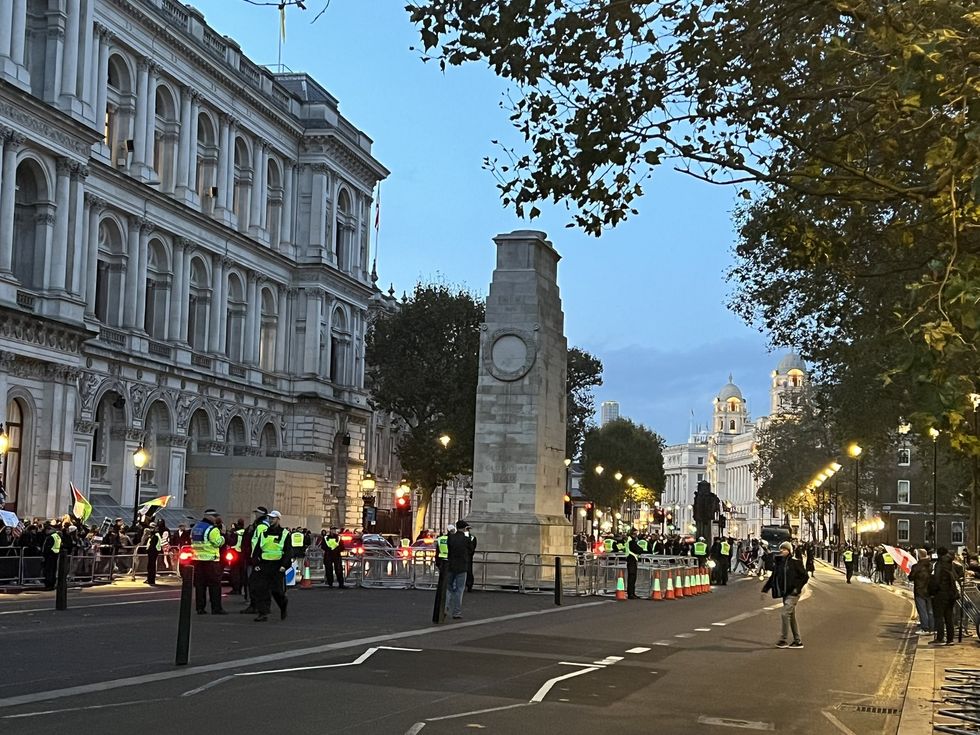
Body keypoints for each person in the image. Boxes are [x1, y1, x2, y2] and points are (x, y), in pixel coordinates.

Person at [761, 541, 809, 649]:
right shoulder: (779, 563)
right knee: (791, 617)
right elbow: (773, 577)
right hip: (785, 593)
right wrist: (765, 590)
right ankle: (798, 641)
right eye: (781, 549)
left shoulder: (795, 562)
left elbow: (805, 576)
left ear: (789, 551)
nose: (781, 550)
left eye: (784, 549)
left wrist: (797, 588)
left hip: (793, 593)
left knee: (784, 614)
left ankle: (783, 639)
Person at [251, 510, 291, 622]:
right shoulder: (263, 533)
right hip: (264, 565)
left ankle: (283, 604)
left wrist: (284, 566)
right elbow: (257, 550)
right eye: (269, 518)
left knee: (277, 591)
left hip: (277, 566)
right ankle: (262, 613)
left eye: (273, 518)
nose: (271, 520)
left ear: (278, 519)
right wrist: (256, 563)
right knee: (261, 590)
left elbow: (288, 552)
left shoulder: (285, 534)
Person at [190, 509, 226, 615]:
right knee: (215, 586)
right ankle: (216, 608)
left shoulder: (195, 528)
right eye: (214, 516)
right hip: (211, 561)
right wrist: (223, 535)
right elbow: (218, 543)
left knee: (200, 586)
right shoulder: (212, 529)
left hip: (197, 560)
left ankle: (200, 608)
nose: (216, 519)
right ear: (209, 517)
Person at [930, 547, 963, 646]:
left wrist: (932, 591)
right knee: (949, 617)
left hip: (941, 593)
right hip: (951, 594)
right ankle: (950, 639)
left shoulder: (939, 564)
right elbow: (957, 576)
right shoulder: (951, 564)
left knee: (939, 616)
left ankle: (940, 638)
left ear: (939, 554)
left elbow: (936, 580)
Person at [242, 506, 270, 614]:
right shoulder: (257, 525)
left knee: (255, 582)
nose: (256, 515)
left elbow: (259, 542)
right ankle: (258, 605)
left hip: (257, 558)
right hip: (256, 557)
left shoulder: (261, 526)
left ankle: (257, 606)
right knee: (257, 582)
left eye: (258, 513)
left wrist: (255, 556)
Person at [446, 520, 470, 619]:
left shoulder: (450, 538)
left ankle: (445, 607)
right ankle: (456, 612)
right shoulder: (466, 539)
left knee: (448, 588)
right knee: (459, 590)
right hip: (462, 566)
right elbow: (470, 550)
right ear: (464, 528)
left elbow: (449, 550)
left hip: (451, 565)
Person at [909, 549, 934, 635]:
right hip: (930, 590)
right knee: (930, 610)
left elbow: (911, 577)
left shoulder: (916, 567)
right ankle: (932, 627)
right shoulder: (931, 565)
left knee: (922, 610)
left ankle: (925, 628)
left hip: (919, 590)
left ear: (918, 555)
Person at [41, 521, 62, 590]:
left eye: (46, 530)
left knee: (49, 571)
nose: (45, 531)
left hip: (49, 556)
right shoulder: (57, 536)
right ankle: (52, 584)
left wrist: (44, 555)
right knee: (53, 571)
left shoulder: (50, 537)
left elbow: (46, 547)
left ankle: (48, 585)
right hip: (55, 555)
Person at [625, 528, 642, 599]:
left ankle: (632, 593)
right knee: (632, 577)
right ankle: (631, 594)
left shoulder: (629, 540)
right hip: (632, 559)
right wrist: (640, 549)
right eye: (635, 534)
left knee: (632, 577)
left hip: (630, 559)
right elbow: (638, 549)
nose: (636, 535)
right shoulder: (631, 541)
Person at [145, 522, 162, 586]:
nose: (150, 529)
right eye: (150, 527)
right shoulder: (153, 535)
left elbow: (153, 544)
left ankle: (151, 580)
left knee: (151, 566)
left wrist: (149, 550)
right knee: (150, 566)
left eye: (152, 528)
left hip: (153, 552)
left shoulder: (156, 535)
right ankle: (149, 579)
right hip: (152, 552)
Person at [464, 524, 478, 593]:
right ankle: (468, 585)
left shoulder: (471, 538)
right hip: (468, 557)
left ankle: (468, 585)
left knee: (468, 572)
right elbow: (473, 548)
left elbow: (472, 548)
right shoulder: (472, 537)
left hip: (466, 557)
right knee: (468, 571)